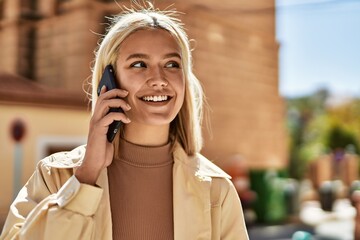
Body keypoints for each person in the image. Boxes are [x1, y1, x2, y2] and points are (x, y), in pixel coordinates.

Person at [0, 3, 249, 240]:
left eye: (172, 64)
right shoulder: (55, 175)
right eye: (139, 64)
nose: (159, 79)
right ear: (110, 81)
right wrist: (85, 178)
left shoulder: (217, 191)